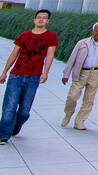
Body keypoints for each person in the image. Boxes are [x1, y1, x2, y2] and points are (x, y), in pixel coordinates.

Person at [0, 9, 59, 144]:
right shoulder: (24, 36)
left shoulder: (51, 37)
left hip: (33, 77)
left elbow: (49, 55)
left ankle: (17, 124)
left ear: (48, 21)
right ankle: (3, 135)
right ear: (34, 20)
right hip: (16, 75)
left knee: (24, 111)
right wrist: (4, 72)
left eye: (44, 18)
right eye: (39, 17)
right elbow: (14, 54)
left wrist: (45, 72)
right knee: (9, 106)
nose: (41, 20)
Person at [60, 22, 98, 130]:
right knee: (72, 96)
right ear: (92, 31)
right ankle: (68, 114)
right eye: (96, 30)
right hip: (81, 73)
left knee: (89, 99)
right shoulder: (83, 42)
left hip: (96, 73)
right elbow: (72, 58)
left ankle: (79, 121)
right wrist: (66, 74)